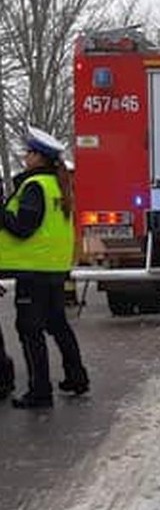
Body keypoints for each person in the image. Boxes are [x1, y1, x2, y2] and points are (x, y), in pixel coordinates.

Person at [0, 126, 89, 409]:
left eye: (29, 152)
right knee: (57, 324)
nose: (25, 157)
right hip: (53, 268)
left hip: (32, 269)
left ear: (39, 157)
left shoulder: (34, 187)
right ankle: (76, 377)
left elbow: (23, 228)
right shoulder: (57, 185)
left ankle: (40, 391)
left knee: (29, 329)